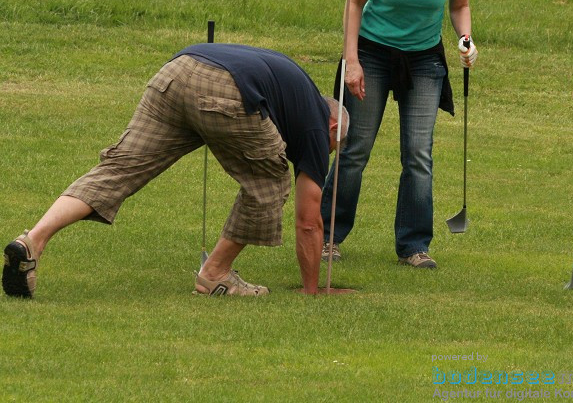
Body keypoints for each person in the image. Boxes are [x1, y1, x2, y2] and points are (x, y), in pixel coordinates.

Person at [2, 44, 350, 298]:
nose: (326, 153)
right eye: (335, 147)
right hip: (225, 87)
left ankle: (33, 241)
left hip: (177, 71)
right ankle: (215, 275)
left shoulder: (297, 94)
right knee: (270, 181)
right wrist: (313, 290)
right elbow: (308, 220)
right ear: (333, 126)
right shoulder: (318, 127)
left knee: (119, 169)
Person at [321, 0, 477, 269]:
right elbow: (355, 1)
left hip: (424, 58)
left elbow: (459, 6)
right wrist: (352, 61)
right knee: (354, 148)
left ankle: (413, 245)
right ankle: (328, 236)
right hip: (372, 53)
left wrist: (466, 37)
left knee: (418, 153)